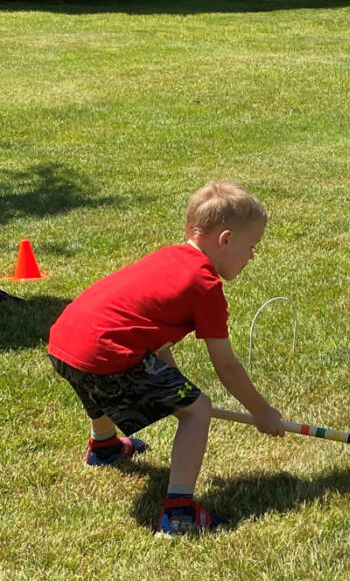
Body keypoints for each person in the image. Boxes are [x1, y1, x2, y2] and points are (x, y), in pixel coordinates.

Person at [49, 180, 285, 537]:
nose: (252, 256)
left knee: (95, 378)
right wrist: (261, 412)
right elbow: (227, 367)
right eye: (252, 247)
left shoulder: (169, 258)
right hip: (106, 355)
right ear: (225, 240)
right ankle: (178, 514)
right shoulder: (205, 285)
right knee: (197, 409)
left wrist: (173, 385)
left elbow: (151, 332)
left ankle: (105, 446)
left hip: (66, 343)